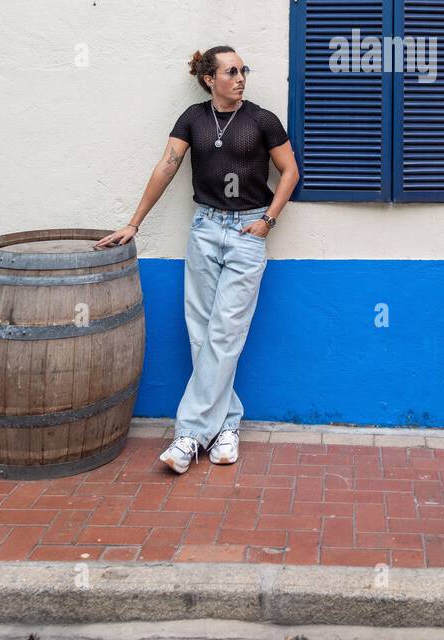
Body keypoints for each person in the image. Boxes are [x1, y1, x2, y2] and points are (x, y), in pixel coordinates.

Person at [96, 46, 299, 473]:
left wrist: (268, 220)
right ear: (210, 79)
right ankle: (226, 425)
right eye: (231, 71)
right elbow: (166, 167)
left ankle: (187, 435)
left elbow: (290, 172)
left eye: (244, 70)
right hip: (204, 230)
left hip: (247, 233)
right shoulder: (193, 117)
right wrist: (134, 223)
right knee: (201, 332)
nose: (241, 77)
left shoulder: (262, 120)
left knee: (226, 333)